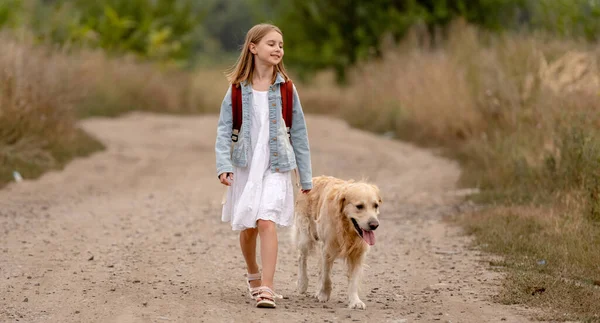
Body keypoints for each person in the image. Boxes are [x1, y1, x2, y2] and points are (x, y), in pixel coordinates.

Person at [214, 23, 313, 309]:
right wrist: (223, 165)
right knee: (248, 228)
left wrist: (305, 178)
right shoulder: (236, 90)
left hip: (277, 164)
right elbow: (223, 130)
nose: (278, 49)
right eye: (271, 44)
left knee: (266, 220)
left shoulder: (287, 89)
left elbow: (300, 135)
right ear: (253, 47)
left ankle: (267, 288)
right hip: (246, 166)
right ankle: (253, 274)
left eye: (281, 45)